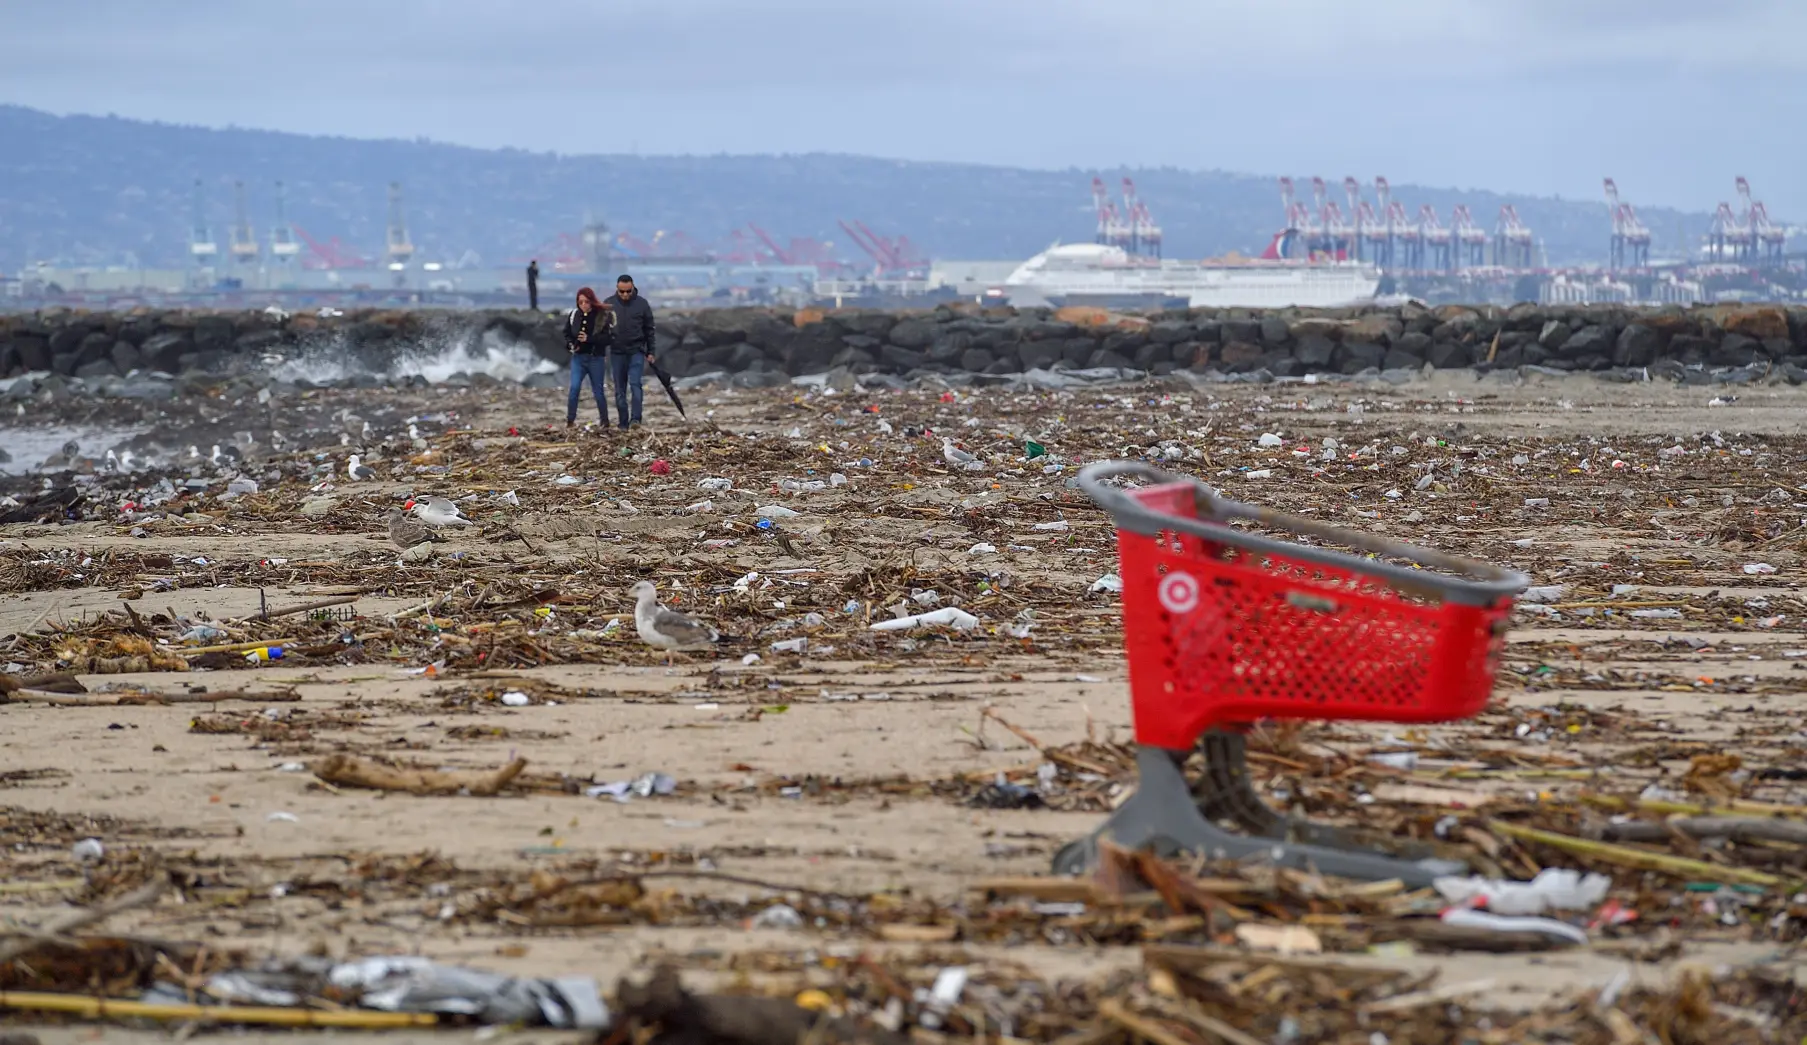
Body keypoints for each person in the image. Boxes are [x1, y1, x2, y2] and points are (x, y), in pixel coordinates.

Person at [604, 274, 655, 429]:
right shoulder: (609, 304)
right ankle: (623, 422)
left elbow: (649, 330)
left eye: (628, 291)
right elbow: (601, 331)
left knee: (635, 385)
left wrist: (651, 351)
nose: (625, 295)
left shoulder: (642, 304)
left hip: (636, 351)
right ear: (617, 289)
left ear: (633, 288)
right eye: (622, 291)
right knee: (619, 390)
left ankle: (635, 420)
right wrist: (601, 351)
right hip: (616, 352)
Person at [564, 287, 613, 429]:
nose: (584, 305)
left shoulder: (602, 316)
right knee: (574, 388)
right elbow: (567, 333)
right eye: (580, 302)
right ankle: (570, 421)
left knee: (598, 391)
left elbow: (608, 338)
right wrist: (570, 344)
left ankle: (604, 421)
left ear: (592, 301)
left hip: (595, 358)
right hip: (578, 358)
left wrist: (589, 339)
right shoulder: (574, 315)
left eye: (586, 302)